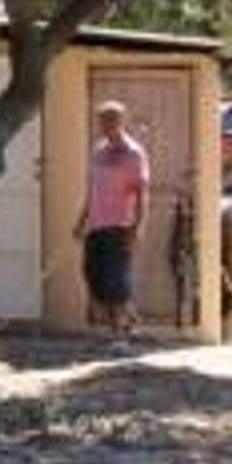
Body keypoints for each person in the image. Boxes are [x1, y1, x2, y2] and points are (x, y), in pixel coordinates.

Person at [74, 100, 151, 335]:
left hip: (120, 224)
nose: (106, 124)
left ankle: (118, 333)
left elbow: (141, 193)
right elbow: (92, 189)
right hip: (95, 224)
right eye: (102, 119)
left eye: (111, 119)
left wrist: (137, 227)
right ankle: (129, 315)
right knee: (92, 276)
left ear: (122, 121)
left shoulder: (134, 153)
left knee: (114, 280)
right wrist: (81, 221)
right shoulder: (98, 150)